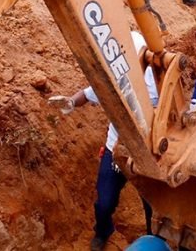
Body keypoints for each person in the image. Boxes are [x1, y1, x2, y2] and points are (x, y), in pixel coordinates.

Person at [47, 31, 158, 251]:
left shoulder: (154, 83)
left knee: (153, 203)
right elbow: (88, 94)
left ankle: (153, 239)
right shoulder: (113, 77)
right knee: (104, 203)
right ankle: (103, 231)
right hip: (116, 150)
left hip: (148, 152)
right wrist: (70, 102)